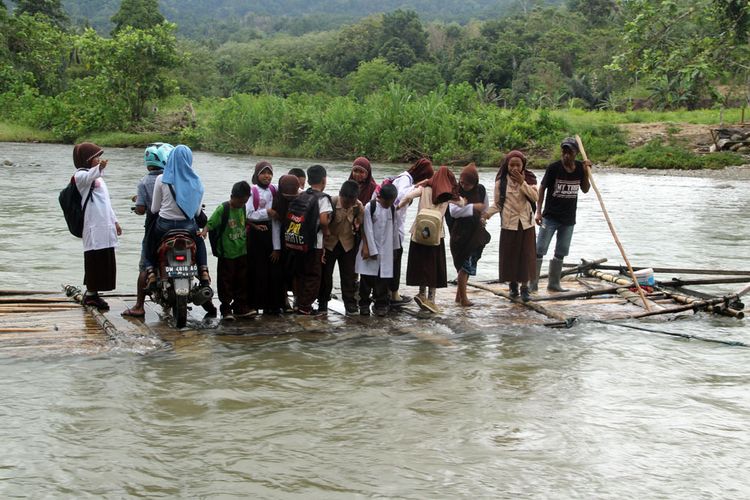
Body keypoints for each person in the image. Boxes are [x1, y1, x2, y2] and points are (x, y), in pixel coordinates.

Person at [398, 166, 463, 314]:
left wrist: (398, 207)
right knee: (433, 266)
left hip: (419, 233)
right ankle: (431, 300)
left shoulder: (424, 188)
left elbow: (408, 197)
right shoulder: (449, 195)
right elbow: (461, 204)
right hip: (435, 236)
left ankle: (421, 293)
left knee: (421, 263)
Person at [122, 143, 175, 318]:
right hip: (177, 223)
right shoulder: (173, 178)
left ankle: (139, 305)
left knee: (146, 261)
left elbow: (142, 209)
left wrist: (138, 204)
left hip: (154, 226)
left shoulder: (144, 182)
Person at [146, 144, 210, 288]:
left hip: (164, 226)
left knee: (149, 240)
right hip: (188, 226)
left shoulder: (161, 179)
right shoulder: (196, 181)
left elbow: (155, 208)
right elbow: (197, 213)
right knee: (199, 240)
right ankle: (204, 270)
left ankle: (150, 271)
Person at [534, 137, 591, 292]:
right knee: (539, 249)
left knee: (561, 251)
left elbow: (585, 189)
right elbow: (542, 188)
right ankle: (532, 284)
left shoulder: (580, 168)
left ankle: (553, 284)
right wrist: (538, 212)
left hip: (568, 219)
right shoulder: (554, 168)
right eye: (564, 152)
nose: (566, 155)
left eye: (570, 152)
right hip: (550, 217)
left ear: (576, 153)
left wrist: (586, 172)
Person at [72, 142, 122, 310]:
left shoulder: (97, 177)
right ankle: (91, 294)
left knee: (104, 258)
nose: (99, 160)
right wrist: (99, 168)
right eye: (95, 157)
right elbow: (88, 177)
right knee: (94, 259)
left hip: (105, 224)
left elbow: (106, 202)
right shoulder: (80, 176)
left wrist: (115, 221)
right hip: (93, 225)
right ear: (86, 160)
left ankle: (95, 294)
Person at [484, 151, 538, 302]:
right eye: (511, 164)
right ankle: (513, 286)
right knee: (510, 256)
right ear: (507, 165)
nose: (515, 167)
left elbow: (535, 198)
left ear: (523, 166)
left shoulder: (529, 179)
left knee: (526, 256)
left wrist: (522, 182)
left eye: (518, 165)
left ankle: (525, 288)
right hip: (509, 224)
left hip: (526, 224)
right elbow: (498, 204)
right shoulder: (501, 182)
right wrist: (486, 215)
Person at [199, 181, 252, 321]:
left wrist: (255, 226)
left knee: (242, 280)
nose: (241, 204)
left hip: (241, 250)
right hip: (227, 253)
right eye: (240, 201)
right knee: (225, 281)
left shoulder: (243, 207)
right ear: (232, 196)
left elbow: (245, 221)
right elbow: (210, 223)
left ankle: (240, 307)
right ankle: (226, 309)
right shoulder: (223, 209)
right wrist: (204, 231)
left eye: (244, 202)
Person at [385, 157, 435, 306]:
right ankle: (393, 295)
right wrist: (418, 187)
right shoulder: (406, 180)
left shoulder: (403, 178)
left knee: (392, 259)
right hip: (393, 227)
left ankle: (389, 292)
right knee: (395, 260)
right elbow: (399, 198)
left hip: (392, 225)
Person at [289, 165, 333, 315]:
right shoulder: (323, 198)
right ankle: (305, 307)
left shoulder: (302, 195)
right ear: (324, 179)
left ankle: (298, 303)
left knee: (300, 273)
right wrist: (326, 232)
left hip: (298, 241)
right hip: (315, 244)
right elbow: (324, 220)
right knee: (313, 275)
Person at [447, 163, 490, 307]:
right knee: (463, 266)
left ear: (474, 183)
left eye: (467, 184)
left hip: (475, 233)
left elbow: (485, 208)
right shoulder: (456, 192)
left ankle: (459, 297)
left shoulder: (481, 190)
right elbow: (453, 211)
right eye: (462, 182)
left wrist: (483, 217)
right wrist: (472, 207)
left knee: (469, 266)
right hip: (460, 234)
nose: (463, 185)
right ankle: (463, 299)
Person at [319, 180, 364, 315]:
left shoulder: (358, 206)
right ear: (340, 195)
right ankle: (322, 303)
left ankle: (350, 304)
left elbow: (361, 224)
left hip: (348, 245)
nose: (348, 205)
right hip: (329, 244)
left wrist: (358, 225)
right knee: (326, 275)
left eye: (352, 201)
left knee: (349, 276)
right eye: (346, 202)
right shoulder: (331, 202)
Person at [246, 160, 284, 314]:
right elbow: (248, 214)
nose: (267, 176)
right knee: (256, 271)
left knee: (272, 272)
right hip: (255, 235)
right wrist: (266, 212)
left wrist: (277, 247)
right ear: (257, 174)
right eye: (263, 173)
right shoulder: (252, 191)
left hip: (270, 233)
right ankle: (253, 305)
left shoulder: (274, 190)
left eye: (269, 173)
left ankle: (272, 306)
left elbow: (276, 222)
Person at [356, 184, 400, 316]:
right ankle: (364, 303)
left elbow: (394, 230)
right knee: (366, 279)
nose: (389, 204)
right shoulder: (371, 206)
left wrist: (394, 249)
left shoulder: (391, 209)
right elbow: (367, 229)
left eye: (392, 202)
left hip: (386, 250)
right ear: (381, 198)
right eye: (388, 201)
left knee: (383, 279)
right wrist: (371, 250)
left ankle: (380, 303)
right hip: (370, 248)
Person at [271, 174, 302, 313]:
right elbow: (276, 225)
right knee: (281, 271)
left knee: (296, 271)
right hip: (283, 240)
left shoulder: (302, 197)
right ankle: (284, 301)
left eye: (292, 197)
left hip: (297, 238)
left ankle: (297, 299)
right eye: (287, 197)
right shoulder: (277, 200)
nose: (289, 199)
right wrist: (277, 248)